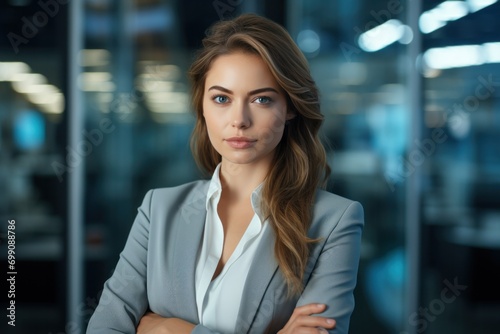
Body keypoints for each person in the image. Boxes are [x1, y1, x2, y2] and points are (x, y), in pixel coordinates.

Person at [87, 13, 364, 334]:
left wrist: (169, 329)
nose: (239, 119)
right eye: (221, 98)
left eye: (261, 99)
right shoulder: (159, 208)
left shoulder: (334, 220)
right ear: (202, 106)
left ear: (289, 108)